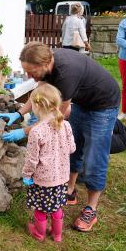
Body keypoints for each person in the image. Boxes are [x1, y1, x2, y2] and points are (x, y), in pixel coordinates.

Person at [0, 42, 120, 232]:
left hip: (103, 105)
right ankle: (69, 190)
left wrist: (25, 131)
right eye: (25, 71)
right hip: (82, 102)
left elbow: (52, 120)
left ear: (45, 65)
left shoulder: (66, 74)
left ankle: (91, 209)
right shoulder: (47, 66)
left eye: (31, 71)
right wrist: (20, 114)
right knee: (72, 148)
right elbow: (38, 93)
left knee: (95, 157)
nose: (28, 76)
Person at [22, 84, 76, 242]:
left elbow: (32, 159)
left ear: (36, 106)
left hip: (43, 180)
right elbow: (72, 148)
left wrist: (26, 175)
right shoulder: (65, 124)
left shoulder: (36, 131)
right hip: (61, 178)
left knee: (41, 208)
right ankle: (57, 235)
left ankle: (39, 234)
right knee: (57, 207)